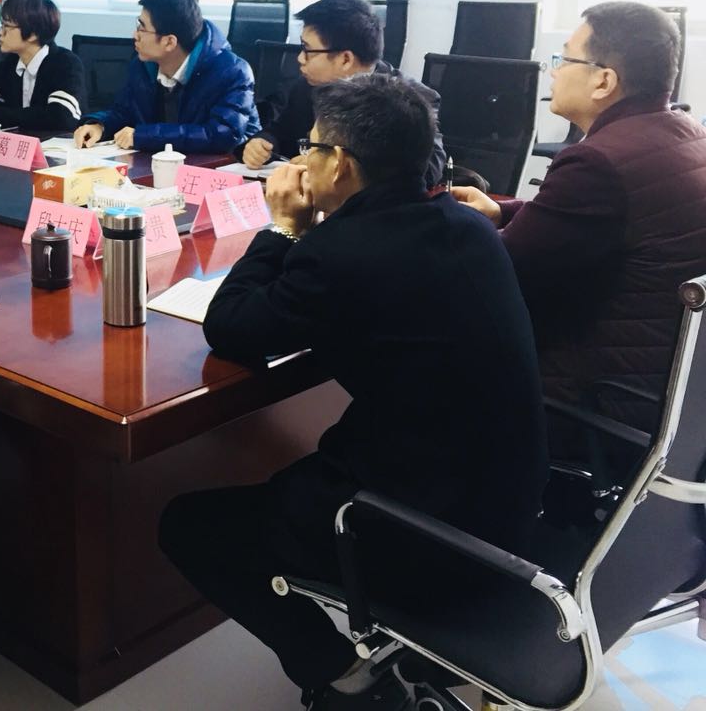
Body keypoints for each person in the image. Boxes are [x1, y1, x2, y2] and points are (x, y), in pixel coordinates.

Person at [159, 73, 546, 709]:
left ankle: (348, 679)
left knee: (189, 527)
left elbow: (230, 327)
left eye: (309, 147)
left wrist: (284, 227)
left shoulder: (342, 253)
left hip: (420, 528)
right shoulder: (466, 225)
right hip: (511, 506)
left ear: (338, 163)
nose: (300, 160)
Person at [453, 1, 706, 432]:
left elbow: (495, 273)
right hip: (664, 389)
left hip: (589, 397)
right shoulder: (687, 132)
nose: (554, 72)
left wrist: (440, 228)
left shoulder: (598, 162)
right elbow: (596, 223)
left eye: (564, 59)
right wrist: (501, 210)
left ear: (603, 81)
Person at [242, 0, 447, 188]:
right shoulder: (306, 87)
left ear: (345, 59)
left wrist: (327, 164)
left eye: (307, 50)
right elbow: (280, 132)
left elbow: (430, 170)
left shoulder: (412, 100)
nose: (300, 58)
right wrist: (263, 143)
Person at [72, 0, 258, 154]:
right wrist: (100, 126)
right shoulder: (142, 65)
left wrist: (144, 136)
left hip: (224, 168)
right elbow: (124, 112)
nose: (135, 35)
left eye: (142, 28)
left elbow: (220, 135)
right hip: (160, 165)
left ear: (169, 42)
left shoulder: (232, 72)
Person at [0, 0, 86, 132]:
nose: (0, 32)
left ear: (33, 34)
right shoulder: (11, 63)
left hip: (59, 143)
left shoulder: (65, 63)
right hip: (19, 141)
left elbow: (60, 117)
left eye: (6, 26)